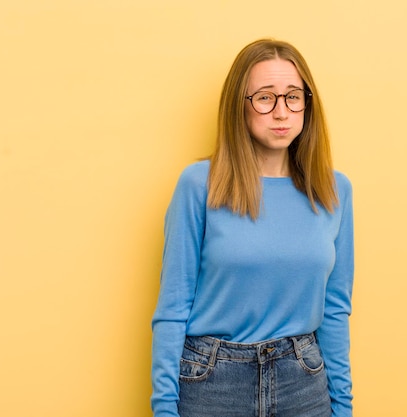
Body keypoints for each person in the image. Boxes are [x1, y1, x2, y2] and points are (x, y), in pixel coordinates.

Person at [151, 38, 354, 417]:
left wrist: (343, 407)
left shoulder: (334, 189)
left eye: (293, 96)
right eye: (265, 97)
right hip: (212, 384)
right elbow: (173, 306)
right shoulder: (199, 185)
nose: (282, 112)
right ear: (239, 106)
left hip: (303, 383)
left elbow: (335, 310)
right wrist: (164, 408)